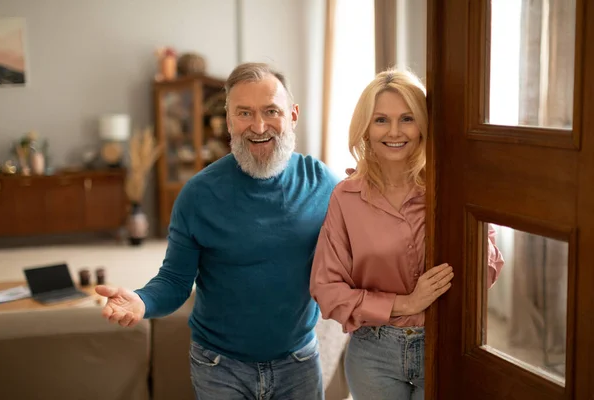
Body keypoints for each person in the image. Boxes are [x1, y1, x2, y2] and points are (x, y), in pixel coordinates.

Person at [95, 62, 340, 400]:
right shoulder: (197, 195)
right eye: (244, 113)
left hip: (298, 361)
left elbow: (358, 249)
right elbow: (175, 281)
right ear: (228, 121)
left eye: (271, 111)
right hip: (219, 366)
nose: (258, 125)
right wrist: (141, 301)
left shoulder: (323, 184)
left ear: (293, 115)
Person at [309, 69, 504, 399]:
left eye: (407, 118)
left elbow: (486, 273)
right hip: (374, 356)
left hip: (444, 344)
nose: (395, 131)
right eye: (381, 119)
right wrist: (406, 303)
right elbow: (326, 290)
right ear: (365, 129)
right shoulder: (346, 197)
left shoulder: (449, 189)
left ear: (423, 126)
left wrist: (468, 188)